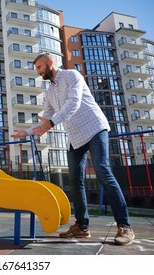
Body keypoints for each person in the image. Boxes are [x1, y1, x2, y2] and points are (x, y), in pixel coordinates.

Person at [10, 53, 135, 245]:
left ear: (50, 63)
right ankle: (82, 227)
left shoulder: (72, 76)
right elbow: (47, 118)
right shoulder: (50, 92)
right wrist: (26, 132)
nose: (38, 71)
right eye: (36, 68)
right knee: (76, 180)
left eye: (40, 67)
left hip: (94, 127)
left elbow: (73, 103)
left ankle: (124, 227)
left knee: (102, 171)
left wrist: (50, 122)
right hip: (76, 137)